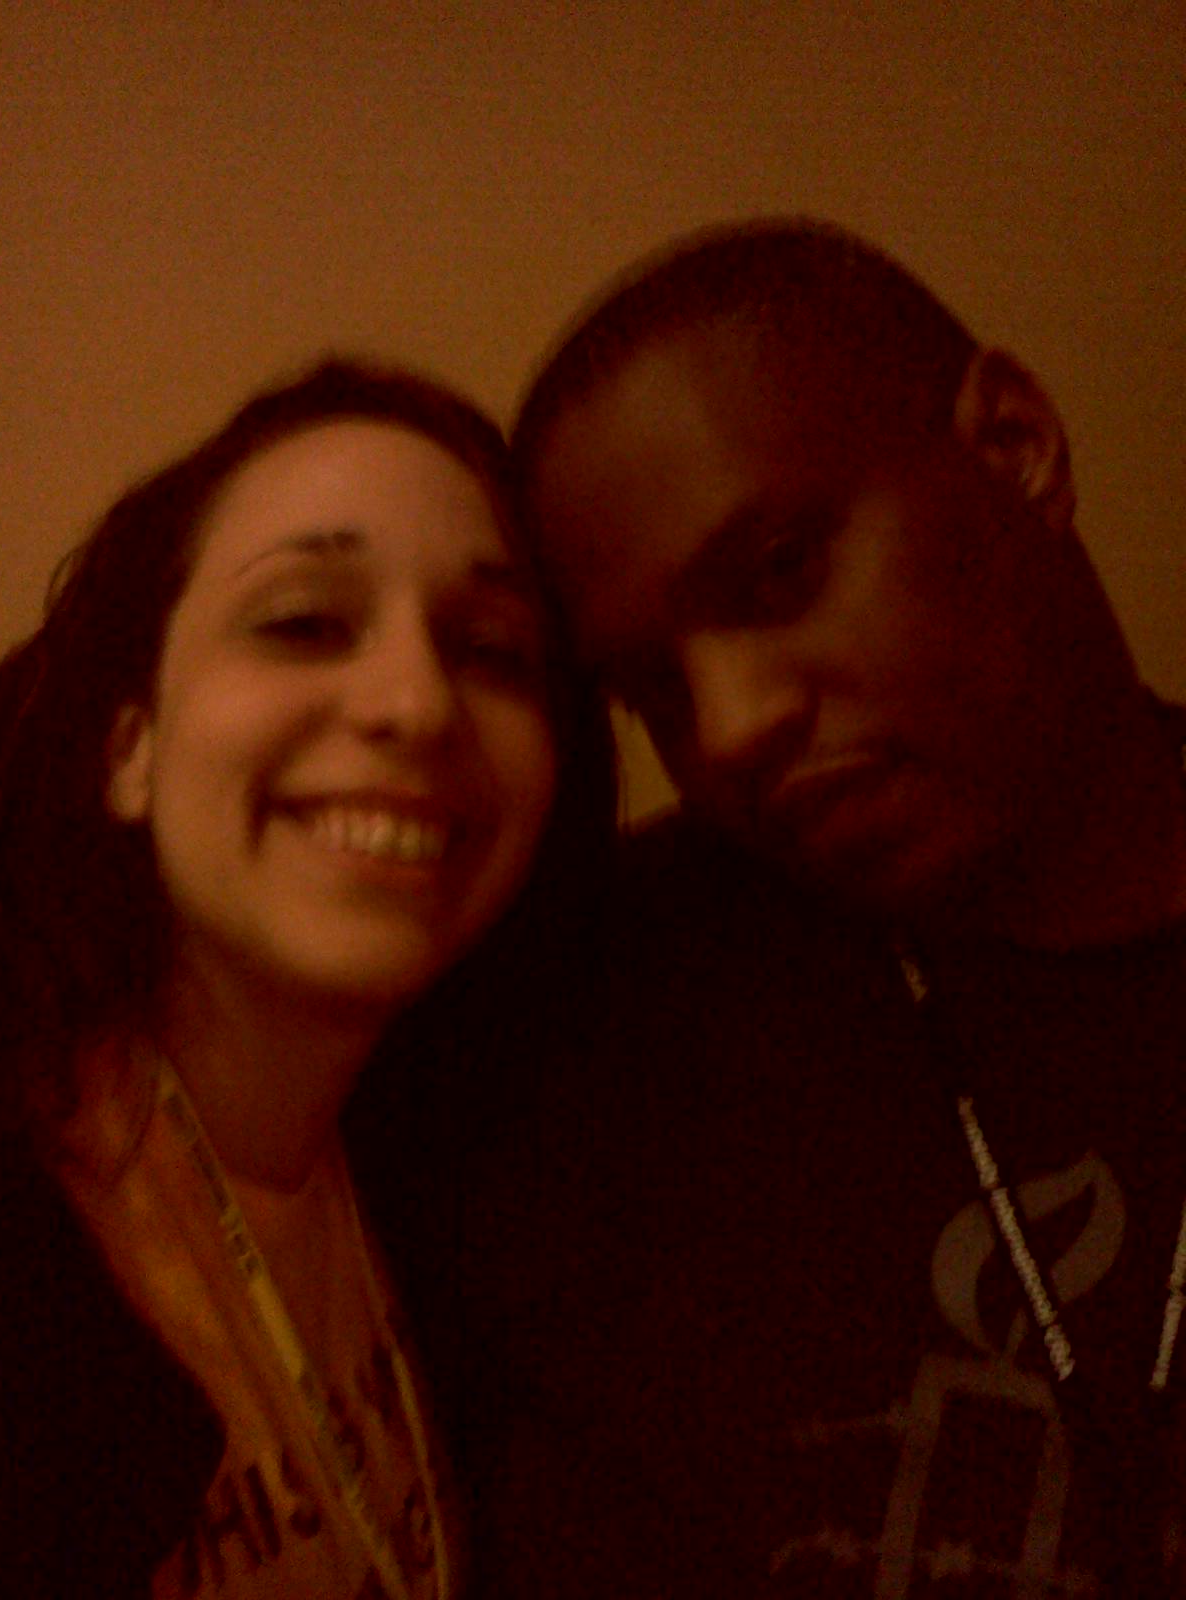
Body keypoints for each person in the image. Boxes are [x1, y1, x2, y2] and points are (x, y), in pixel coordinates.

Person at [502, 219, 1186, 1596]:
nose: (728, 727)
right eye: (653, 690)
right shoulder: (605, 1014)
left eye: (779, 572)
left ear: (1015, 446)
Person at [0, 358, 615, 1600]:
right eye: (303, 622)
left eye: (493, 650)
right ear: (130, 748)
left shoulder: (484, 1182)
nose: (418, 704)